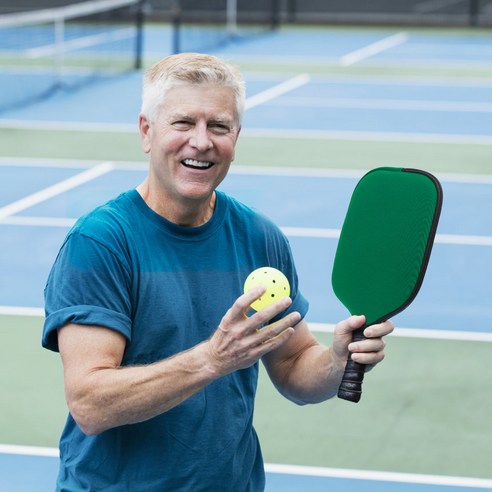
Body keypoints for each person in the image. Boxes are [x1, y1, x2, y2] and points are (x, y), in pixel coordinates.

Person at [42, 52, 393, 491]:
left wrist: (337, 360)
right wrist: (211, 359)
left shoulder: (260, 237)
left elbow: (293, 366)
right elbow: (91, 404)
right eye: (183, 123)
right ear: (147, 132)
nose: (202, 142)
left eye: (219, 126)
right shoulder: (101, 243)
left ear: (236, 136)